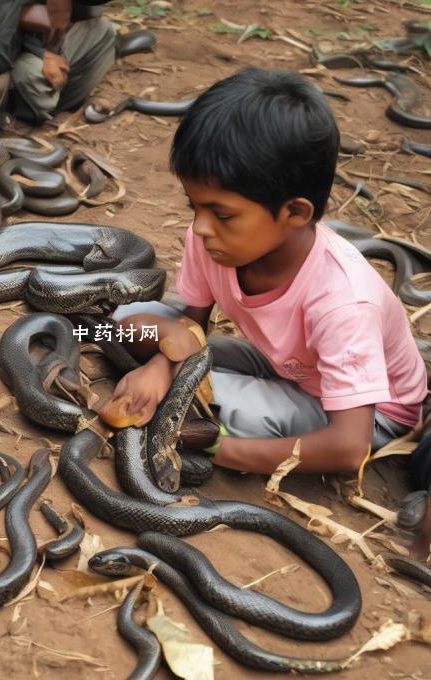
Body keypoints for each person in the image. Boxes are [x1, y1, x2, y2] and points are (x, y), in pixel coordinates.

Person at [101, 67, 428, 477]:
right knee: (116, 325)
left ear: (294, 212)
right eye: (194, 206)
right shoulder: (212, 239)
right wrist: (160, 365)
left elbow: (349, 448)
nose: (200, 227)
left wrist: (218, 446)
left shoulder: (343, 301)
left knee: (196, 401)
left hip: (363, 413)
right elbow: (192, 327)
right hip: (286, 363)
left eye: (221, 213)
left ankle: (207, 423)